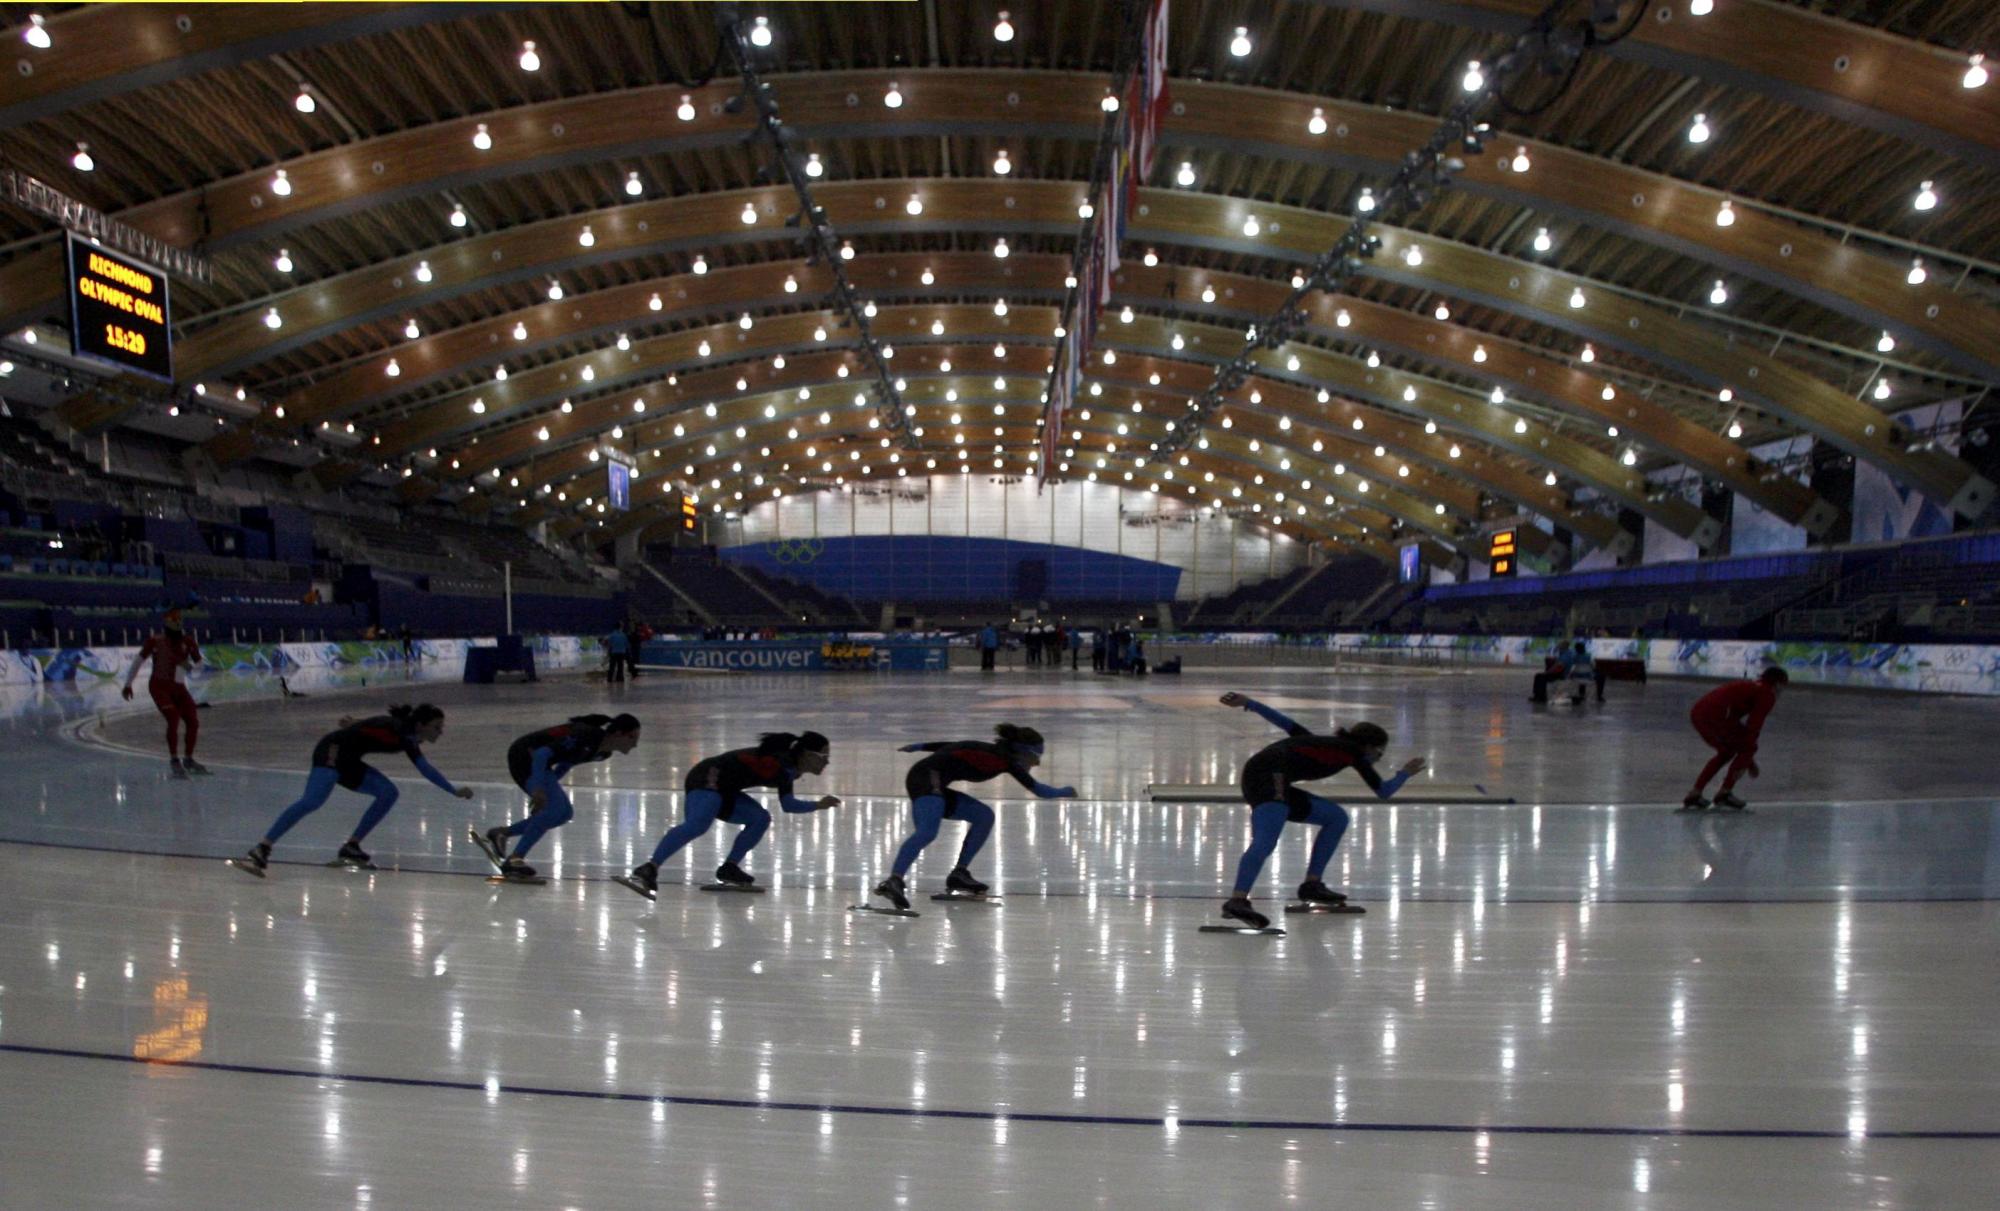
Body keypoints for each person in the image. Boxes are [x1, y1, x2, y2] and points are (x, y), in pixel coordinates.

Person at [1214, 692, 1427, 929]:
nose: (1379, 757)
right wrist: (1405, 773)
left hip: (1272, 778)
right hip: (1267, 776)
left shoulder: (1323, 744)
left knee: (1335, 817)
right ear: (1368, 747)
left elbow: (1286, 722)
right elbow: (1383, 791)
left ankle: (1312, 885)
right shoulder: (1353, 752)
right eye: (1380, 752)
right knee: (1265, 841)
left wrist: (1250, 703)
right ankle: (1237, 899)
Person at [233, 704, 472, 876]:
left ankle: (352, 846)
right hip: (332, 750)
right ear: (421, 725)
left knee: (388, 793)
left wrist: (452, 790)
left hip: (349, 761)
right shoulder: (396, 729)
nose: (440, 732)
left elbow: (424, 768)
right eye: (437, 727)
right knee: (312, 801)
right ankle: (262, 847)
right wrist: (355, 724)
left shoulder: (408, 738)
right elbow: (372, 725)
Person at [872, 723, 1075, 909]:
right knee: (927, 833)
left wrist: (920, 746)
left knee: (984, 816)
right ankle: (894, 880)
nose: (1036, 763)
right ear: (1021, 752)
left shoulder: (996, 754)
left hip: (937, 784)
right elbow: (1040, 791)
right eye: (1034, 757)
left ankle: (959, 873)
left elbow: (954, 745)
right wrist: (1066, 791)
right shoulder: (1004, 759)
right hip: (925, 778)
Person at [619, 731, 840, 897]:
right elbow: (789, 804)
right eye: (823, 756)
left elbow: (787, 803)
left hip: (726, 788)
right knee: (698, 825)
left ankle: (729, 868)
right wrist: (818, 805)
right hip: (707, 777)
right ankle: (649, 867)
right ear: (807, 755)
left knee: (760, 818)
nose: (826, 761)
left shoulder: (790, 767)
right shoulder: (779, 763)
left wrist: (818, 805)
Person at [476, 713, 642, 879]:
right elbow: (542, 754)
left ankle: (502, 833)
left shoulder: (602, 753)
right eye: (632, 737)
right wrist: (539, 788)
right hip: (525, 757)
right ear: (618, 733)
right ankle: (515, 859)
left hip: (538, 763)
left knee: (564, 813)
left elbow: (567, 762)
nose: (635, 744)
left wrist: (549, 786)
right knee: (553, 810)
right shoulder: (588, 735)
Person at [1683, 667, 1787, 811]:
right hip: (1715, 716)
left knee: (1727, 751)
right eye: (1783, 686)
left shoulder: (1754, 686)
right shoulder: (1767, 694)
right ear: (1778, 684)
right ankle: (1724, 792)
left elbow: (1740, 731)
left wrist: (1748, 760)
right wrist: (1746, 759)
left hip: (1702, 712)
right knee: (1744, 747)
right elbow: (1753, 726)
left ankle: (1696, 793)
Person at [122, 608, 206, 778]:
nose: (177, 629)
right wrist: (128, 684)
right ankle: (174, 760)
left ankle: (188, 759)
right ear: (167, 626)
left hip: (179, 688)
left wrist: (187, 666)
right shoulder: (155, 641)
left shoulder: (188, 641)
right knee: (173, 718)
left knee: (193, 721)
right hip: (159, 687)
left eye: (178, 625)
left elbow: (200, 664)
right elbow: (138, 661)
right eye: (173, 625)